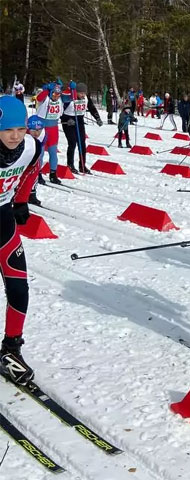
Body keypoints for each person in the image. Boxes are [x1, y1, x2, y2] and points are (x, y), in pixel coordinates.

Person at [0, 96, 42, 386]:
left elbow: (31, 170)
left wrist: (22, 200)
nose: (16, 135)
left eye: (20, 128)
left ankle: (11, 350)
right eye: (7, 129)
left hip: (3, 221)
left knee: (19, 287)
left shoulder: (31, 146)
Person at [60, 81, 103, 174]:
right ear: (76, 92)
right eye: (81, 93)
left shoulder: (86, 98)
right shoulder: (69, 98)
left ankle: (82, 165)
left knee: (82, 144)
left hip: (79, 121)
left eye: (84, 93)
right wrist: (66, 120)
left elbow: (92, 108)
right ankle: (70, 164)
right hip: (69, 122)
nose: (83, 95)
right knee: (72, 143)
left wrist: (98, 118)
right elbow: (60, 112)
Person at [35, 81, 64, 185]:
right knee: (40, 153)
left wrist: (72, 89)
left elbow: (72, 98)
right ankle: (37, 174)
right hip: (41, 128)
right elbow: (38, 98)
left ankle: (53, 174)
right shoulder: (45, 99)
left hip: (53, 129)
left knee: (53, 152)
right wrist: (47, 89)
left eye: (58, 94)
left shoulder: (60, 99)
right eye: (54, 94)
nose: (56, 96)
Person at [26, 116, 45, 207]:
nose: (37, 133)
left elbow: (40, 148)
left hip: (34, 153)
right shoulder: (24, 134)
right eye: (33, 130)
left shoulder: (43, 134)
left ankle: (32, 194)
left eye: (39, 130)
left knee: (34, 173)